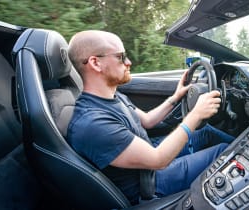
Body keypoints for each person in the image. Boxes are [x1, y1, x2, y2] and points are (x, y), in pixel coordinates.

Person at [66, 30, 234, 205]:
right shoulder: (92, 123)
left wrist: (175, 97)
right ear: (95, 63)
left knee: (206, 132)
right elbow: (158, 160)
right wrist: (196, 114)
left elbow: (147, 120)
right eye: (120, 57)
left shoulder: (112, 96)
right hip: (150, 184)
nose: (128, 62)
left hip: (147, 157)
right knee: (223, 151)